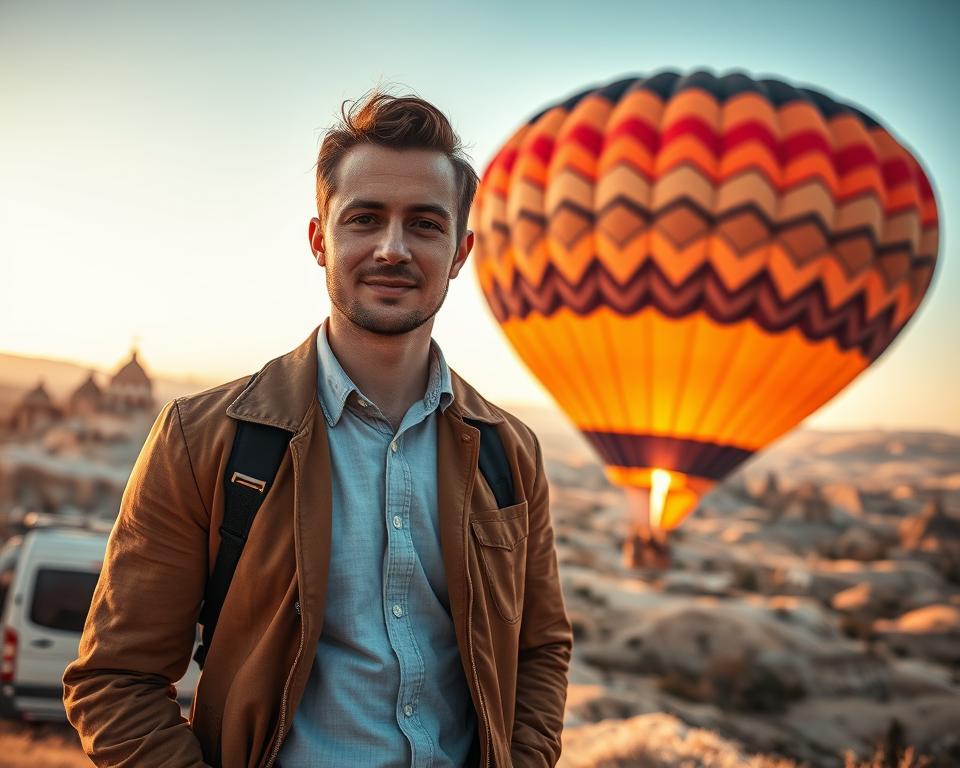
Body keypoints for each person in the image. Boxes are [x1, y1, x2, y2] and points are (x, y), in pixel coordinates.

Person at [62, 92, 572, 768]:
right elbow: (115, 681)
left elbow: (539, 650)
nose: (392, 249)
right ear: (318, 240)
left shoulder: (508, 450)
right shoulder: (204, 439)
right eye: (364, 219)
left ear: (460, 251)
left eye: (424, 224)